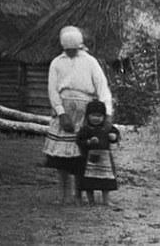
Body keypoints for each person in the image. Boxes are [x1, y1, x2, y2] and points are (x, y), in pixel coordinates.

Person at [42, 25, 113, 204]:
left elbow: (102, 87)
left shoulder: (90, 62)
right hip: (65, 112)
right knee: (61, 158)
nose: (72, 53)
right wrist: (61, 113)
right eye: (68, 50)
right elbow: (52, 90)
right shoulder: (57, 63)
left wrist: (108, 113)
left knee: (81, 156)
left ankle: (79, 193)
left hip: (85, 113)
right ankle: (63, 194)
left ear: (80, 46)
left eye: (74, 50)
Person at [76, 99, 120, 206]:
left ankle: (106, 200)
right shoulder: (85, 129)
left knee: (106, 180)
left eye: (99, 116)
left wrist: (113, 137)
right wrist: (88, 142)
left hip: (104, 160)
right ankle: (91, 200)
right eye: (93, 115)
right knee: (88, 181)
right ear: (88, 116)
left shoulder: (107, 127)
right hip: (88, 159)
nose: (96, 118)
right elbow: (79, 140)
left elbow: (116, 134)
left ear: (104, 116)